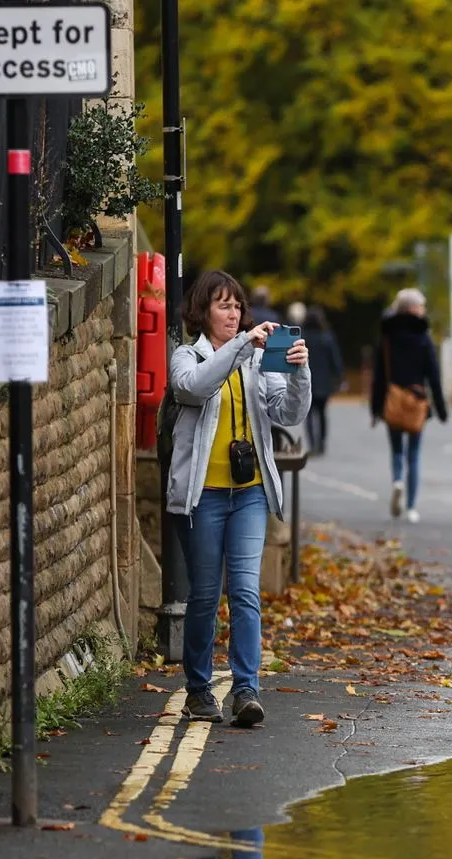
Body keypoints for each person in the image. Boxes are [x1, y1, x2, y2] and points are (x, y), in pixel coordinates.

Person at [167, 270, 311, 726]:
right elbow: (195, 387)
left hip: (248, 495)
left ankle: (246, 688)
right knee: (206, 596)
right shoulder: (186, 356)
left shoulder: (256, 360)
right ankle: (198, 690)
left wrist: (300, 370)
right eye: (222, 305)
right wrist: (240, 346)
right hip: (203, 496)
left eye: (236, 306)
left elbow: (288, 412)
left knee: (246, 591)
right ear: (203, 311)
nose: (231, 313)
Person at [369, 288, 447, 524]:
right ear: (413, 309)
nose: (423, 310)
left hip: (392, 399)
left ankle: (397, 482)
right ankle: (411, 507)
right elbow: (434, 375)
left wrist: (376, 408)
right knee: (414, 454)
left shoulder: (386, 338)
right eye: (421, 306)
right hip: (416, 402)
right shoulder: (423, 338)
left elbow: (379, 376)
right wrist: (441, 409)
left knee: (396, 451)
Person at [301, 306, 345, 455]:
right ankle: (322, 442)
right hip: (324, 382)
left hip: (306, 381)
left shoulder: (302, 338)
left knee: (309, 415)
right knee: (322, 414)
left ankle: (312, 444)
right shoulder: (327, 337)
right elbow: (335, 359)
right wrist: (339, 377)